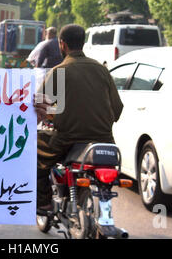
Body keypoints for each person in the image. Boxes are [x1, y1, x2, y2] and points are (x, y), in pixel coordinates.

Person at [34, 24, 123, 211]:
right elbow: (117, 108)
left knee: (35, 157)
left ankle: (43, 203)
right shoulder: (102, 70)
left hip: (66, 139)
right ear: (83, 43)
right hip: (104, 141)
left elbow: (41, 107)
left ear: (62, 44)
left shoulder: (59, 71)